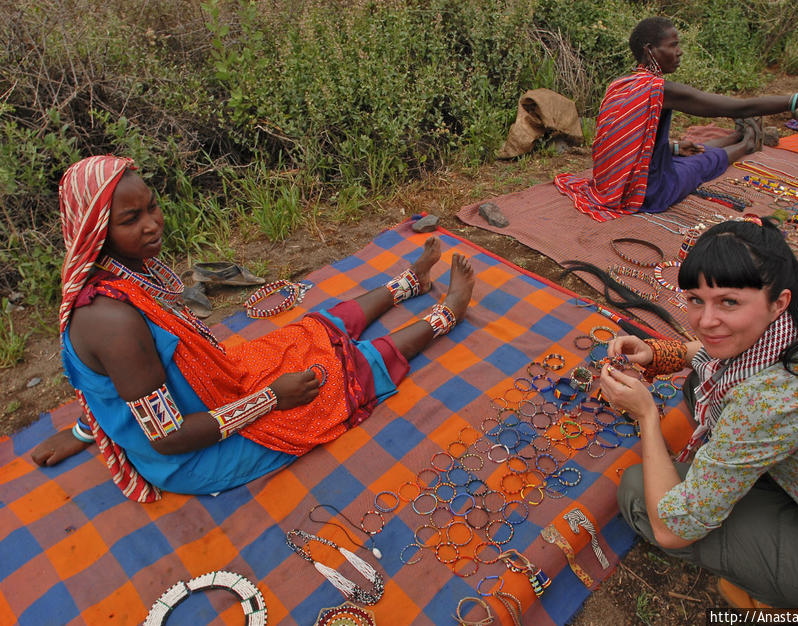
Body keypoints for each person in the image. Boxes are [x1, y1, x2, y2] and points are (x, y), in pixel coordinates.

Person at [31, 155, 475, 502]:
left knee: (310, 332)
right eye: (131, 220)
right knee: (342, 374)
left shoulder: (122, 276)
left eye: (152, 207)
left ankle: (408, 284)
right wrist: (272, 399)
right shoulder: (113, 321)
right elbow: (167, 438)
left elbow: (111, 391)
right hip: (194, 452)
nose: (152, 224)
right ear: (96, 231)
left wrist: (81, 433)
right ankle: (446, 314)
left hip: (216, 389)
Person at [600, 219, 798, 609]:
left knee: (640, 493)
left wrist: (646, 417)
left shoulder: (769, 403)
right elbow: (722, 358)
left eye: (729, 302)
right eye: (694, 299)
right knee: (701, 382)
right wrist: (662, 353)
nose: (705, 322)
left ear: (778, 301)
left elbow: (673, 530)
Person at [555, 16, 798, 222]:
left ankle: (733, 138)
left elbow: (626, 140)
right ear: (650, 51)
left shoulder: (621, 84)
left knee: (689, 150)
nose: (680, 51)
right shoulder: (661, 90)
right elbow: (738, 106)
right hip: (647, 193)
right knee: (703, 162)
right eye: (674, 45)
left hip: (614, 181)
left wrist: (671, 146)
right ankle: (747, 143)